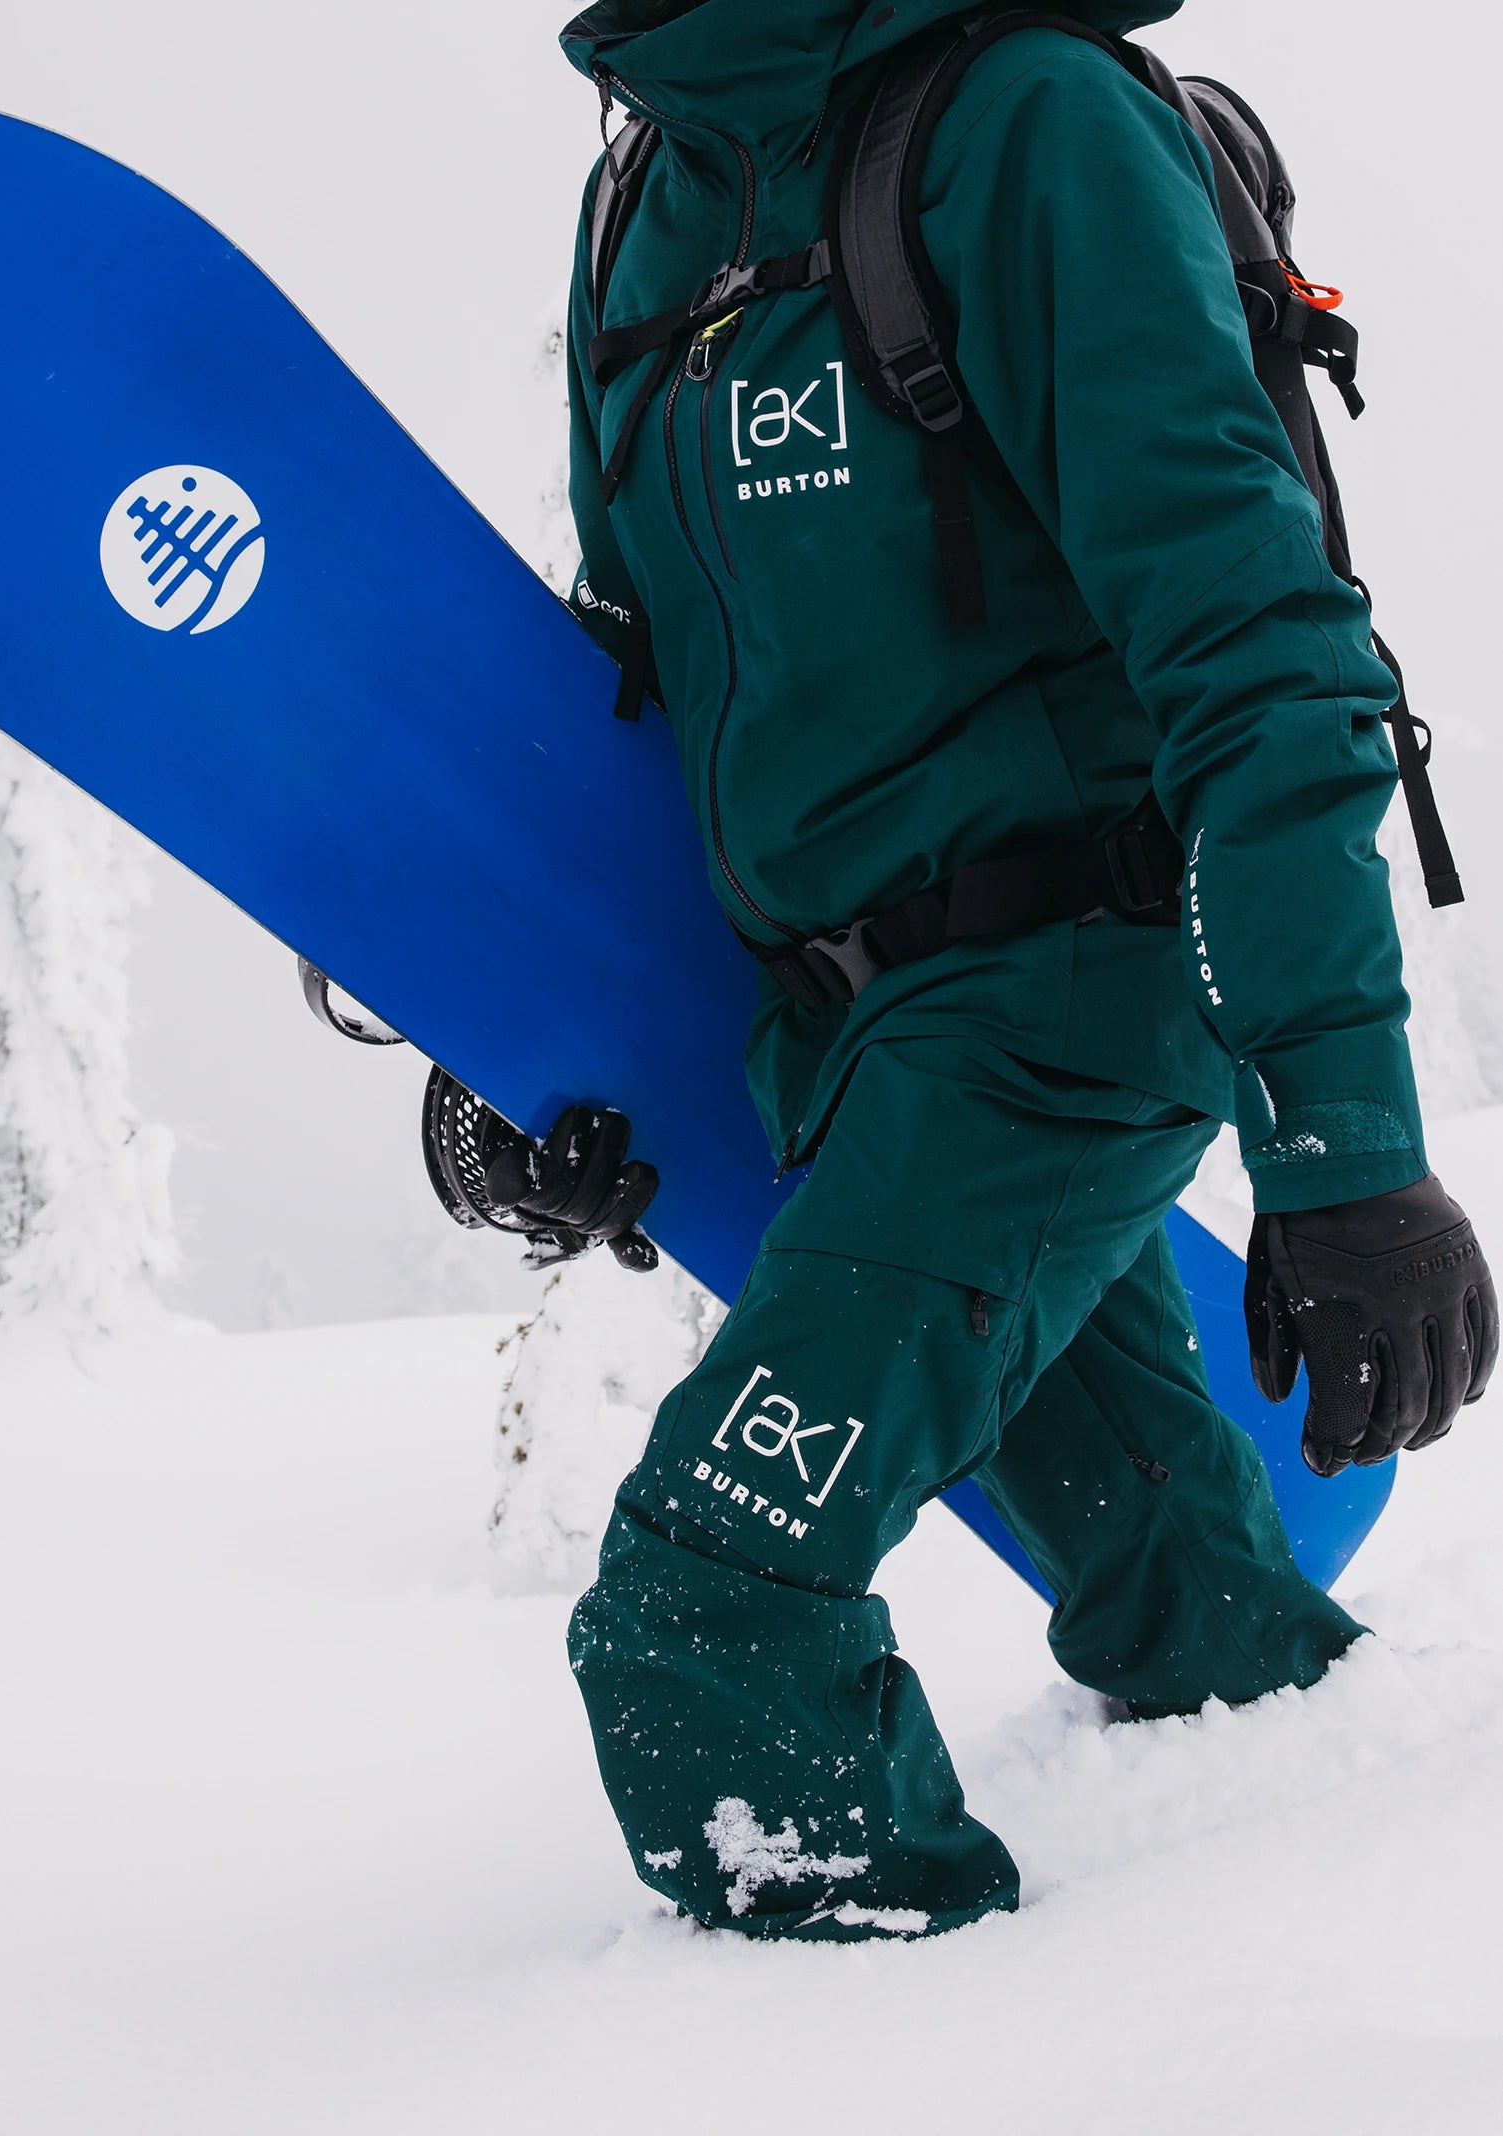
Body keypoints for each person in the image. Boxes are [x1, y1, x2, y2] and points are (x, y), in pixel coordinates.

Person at [488, 0, 1499, 1939]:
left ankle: (896, 2046)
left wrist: (1342, 1144)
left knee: (709, 1617)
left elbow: (1260, 652)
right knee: (1172, 1580)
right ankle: (1344, 1809)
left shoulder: (1018, 121)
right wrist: (514, 1061)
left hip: (1061, 1002)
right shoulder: (649, 199)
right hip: (849, 1045)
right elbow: (642, 695)